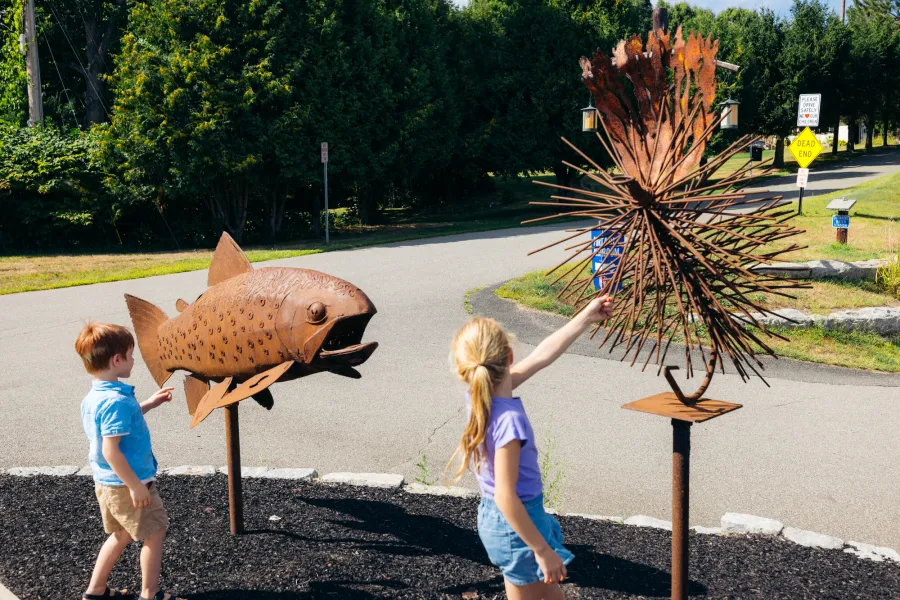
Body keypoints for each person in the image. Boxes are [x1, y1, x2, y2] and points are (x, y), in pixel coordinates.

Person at [448, 296, 614, 600]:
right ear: (509, 357)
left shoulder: (480, 398)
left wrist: (585, 318)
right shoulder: (509, 420)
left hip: (498, 521)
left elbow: (541, 357)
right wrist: (541, 550)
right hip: (517, 523)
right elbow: (506, 495)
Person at [75, 322, 184, 600]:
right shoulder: (117, 402)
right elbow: (112, 451)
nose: (133, 360)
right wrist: (136, 486)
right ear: (117, 360)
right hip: (129, 483)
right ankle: (150, 594)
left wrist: (149, 403)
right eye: (130, 354)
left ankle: (96, 591)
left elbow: (120, 426)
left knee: (121, 535)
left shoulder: (95, 397)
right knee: (156, 531)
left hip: (108, 484)